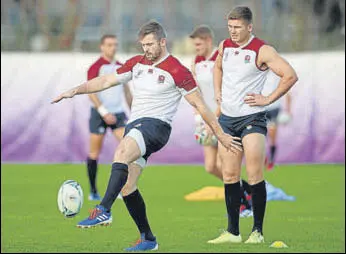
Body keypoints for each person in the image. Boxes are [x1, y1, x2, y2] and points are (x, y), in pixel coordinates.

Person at [51, 21, 243, 252]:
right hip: (137, 125)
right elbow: (105, 81)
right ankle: (148, 239)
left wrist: (220, 133)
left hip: (156, 127)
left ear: (163, 42)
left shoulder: (177, 70)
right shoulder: (136, 63)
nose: (146, 49)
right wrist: (75, 90)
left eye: (150, 44)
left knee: (121, 152)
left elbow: (201, 105)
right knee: (127, 185)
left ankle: (103, 210)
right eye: (143, 45)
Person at [208, 6, 298, 244]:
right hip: (227, 119)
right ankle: (233, 232)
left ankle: (257, 232)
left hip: (252, 119)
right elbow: (217, 67)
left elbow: (290, 75)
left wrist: (268, 99)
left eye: (238, 27)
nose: (233, 32)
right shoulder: (224, 46)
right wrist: (217, 93)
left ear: (249, 27)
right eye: (230, 27)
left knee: (255, 172)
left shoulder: (263, 50)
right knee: (229, 174)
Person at [190, 25, 253, 216]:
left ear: (209, 40)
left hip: (223, 117)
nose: (197, 47)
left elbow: (225, 93)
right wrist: (198, 115)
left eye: (199, 44)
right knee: (210, 167)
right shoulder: (197, 61)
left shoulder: (222, 60)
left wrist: (214, 119)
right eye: (195, 45)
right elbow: (196, 92)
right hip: (206, 119)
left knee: (223, 165)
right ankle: (246, 189)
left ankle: (244, 205)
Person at [86, 34, 132, 201]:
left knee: (128, 149)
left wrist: (135, 112)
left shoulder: (121, 67)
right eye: (109, 45)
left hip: (118, 114)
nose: (113, 47)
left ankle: (122, 188)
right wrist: (104, 112)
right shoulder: (95, 67)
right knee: (94, 153)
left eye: (115, 44)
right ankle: (93, 191)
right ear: (102, 47)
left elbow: (127, 91)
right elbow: (90, 92)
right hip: (99, 114)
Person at [262, 71, 292, 170]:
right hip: (262, 108)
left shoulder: (278, 72)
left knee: (272, 135)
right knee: (260, 135)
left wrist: (288, 110)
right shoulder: (258, 71)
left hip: (274, 108)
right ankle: (263, 158)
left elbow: (287, 92)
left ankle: (271, 160)